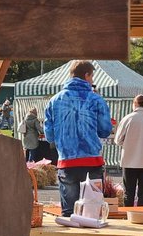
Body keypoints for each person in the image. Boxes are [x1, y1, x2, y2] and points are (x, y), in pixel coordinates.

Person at [44, 60, 112, 218]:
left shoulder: (54, 100)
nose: (92, 80)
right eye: (92, 76)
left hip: (67, 161)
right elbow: (105, 131)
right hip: (92, 161)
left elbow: (49, 136)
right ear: (87, 75)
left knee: (69, 214)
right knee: (92, 213)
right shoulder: (96, 100)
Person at [114, 94, 143, 208]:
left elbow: (118, 140)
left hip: (129, 161)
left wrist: (128, 143)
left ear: (134, 104)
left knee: (128, 193)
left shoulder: (127, 119)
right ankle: (142, 215)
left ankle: (128, 215)